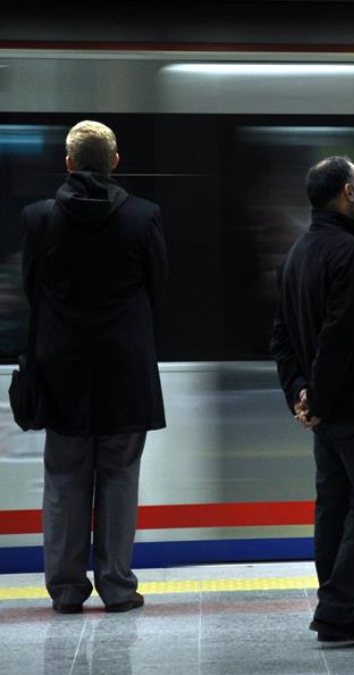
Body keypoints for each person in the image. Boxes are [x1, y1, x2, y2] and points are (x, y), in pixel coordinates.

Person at [20, 120, 167, 614]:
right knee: (120, 477)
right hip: (125, 370)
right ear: (115, 162)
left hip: (61, 372)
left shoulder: (38, 219)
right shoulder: (144, 217)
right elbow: (158, 288)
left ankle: (65, 589)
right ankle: (117, 587)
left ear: (68, 163)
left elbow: (32, 290)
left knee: (64, 478)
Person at [269, 156, 354, 644]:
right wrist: (319, 400)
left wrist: (300, 395)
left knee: (334, 504)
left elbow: (282, 337)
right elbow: (340, 336)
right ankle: (338, 605)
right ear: (347, 192)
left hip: (327, 412)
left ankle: (340, 606)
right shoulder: (350, 255)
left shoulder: (298, 253)